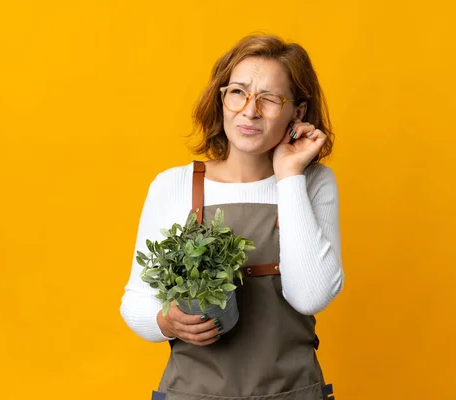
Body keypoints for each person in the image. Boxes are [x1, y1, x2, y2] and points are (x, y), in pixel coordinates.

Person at [120, 34, 344, 400]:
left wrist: (289, 175)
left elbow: (310, 297)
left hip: (293, 393)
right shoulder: (173, 185)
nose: (250, 111)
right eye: (238, 92)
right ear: (222, 98)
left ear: (297, 112)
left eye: (269, 99)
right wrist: (166, 321)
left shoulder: (312, 183)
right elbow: (135, 302)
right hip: (193, 394)